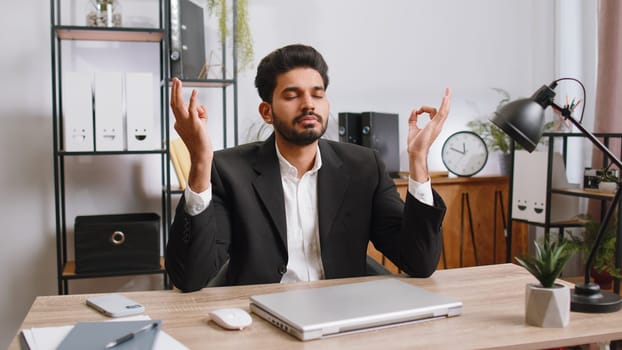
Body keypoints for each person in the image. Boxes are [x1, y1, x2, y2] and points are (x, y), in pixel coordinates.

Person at [165, 44, 451, 292]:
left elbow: (419, 262)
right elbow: (190, 277)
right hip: (260, 317)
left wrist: (418, 160)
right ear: (267, 112)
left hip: (344, 315)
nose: (308, 105)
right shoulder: (229, 170)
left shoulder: (364, 167)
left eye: (318, 94)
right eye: (292, 95)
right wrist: (200, 159)